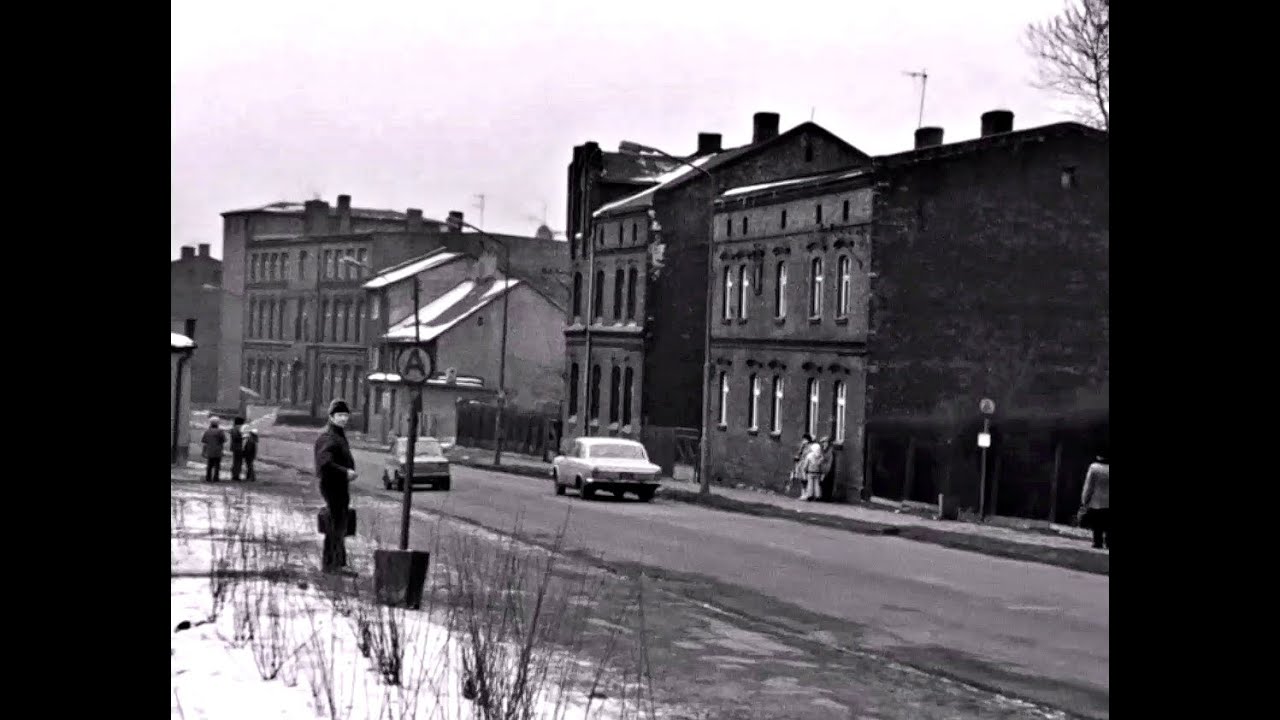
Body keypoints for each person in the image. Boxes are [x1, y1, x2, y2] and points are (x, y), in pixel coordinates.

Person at [315, 399, 358, 575]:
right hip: (332, 485)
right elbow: (324, 464)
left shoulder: (338, 435)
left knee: (340, 524)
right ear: (331, 417)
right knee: (335, 525)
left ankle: (337, 563)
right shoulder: (328, 437)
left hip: (339, 486)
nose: (343, 419)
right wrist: (345, 472)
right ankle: (332, 565)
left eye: (345, 415)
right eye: (339, 415)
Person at [1079, 454, 1110, 549]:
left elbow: (1089, 485)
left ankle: (1098, 542)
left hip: (1097, 500)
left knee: (1097, 523)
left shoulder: (1094, 468)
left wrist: (1085, 499)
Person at [799, 437, 826, 502]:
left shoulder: (809, 456)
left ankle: (810, 495)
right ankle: (817, 495)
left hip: (810, 472)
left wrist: (804, 471)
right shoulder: (821, 457)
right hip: (818, 473)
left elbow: (806, 465)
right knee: (817, 485)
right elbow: (822, 467)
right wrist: (822, 474)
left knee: (810, 484)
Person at [201, 417, 226, 483]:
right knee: (217, 465)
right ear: (218, 424)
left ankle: (208, 477)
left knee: (209, 465)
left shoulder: (207, 431)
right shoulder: (220, 431)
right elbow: (223, 440)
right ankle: (216, 477)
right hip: (218, 450)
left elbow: (204, 441)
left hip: (209, 450)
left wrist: (203, 451)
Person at [229, 417, 246, 481]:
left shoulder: (233, 428)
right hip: (240, 446)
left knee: (235, 461)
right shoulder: (241, 428)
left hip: (234, 447)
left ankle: (234, 474)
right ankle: (236, 475)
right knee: (239, 462)